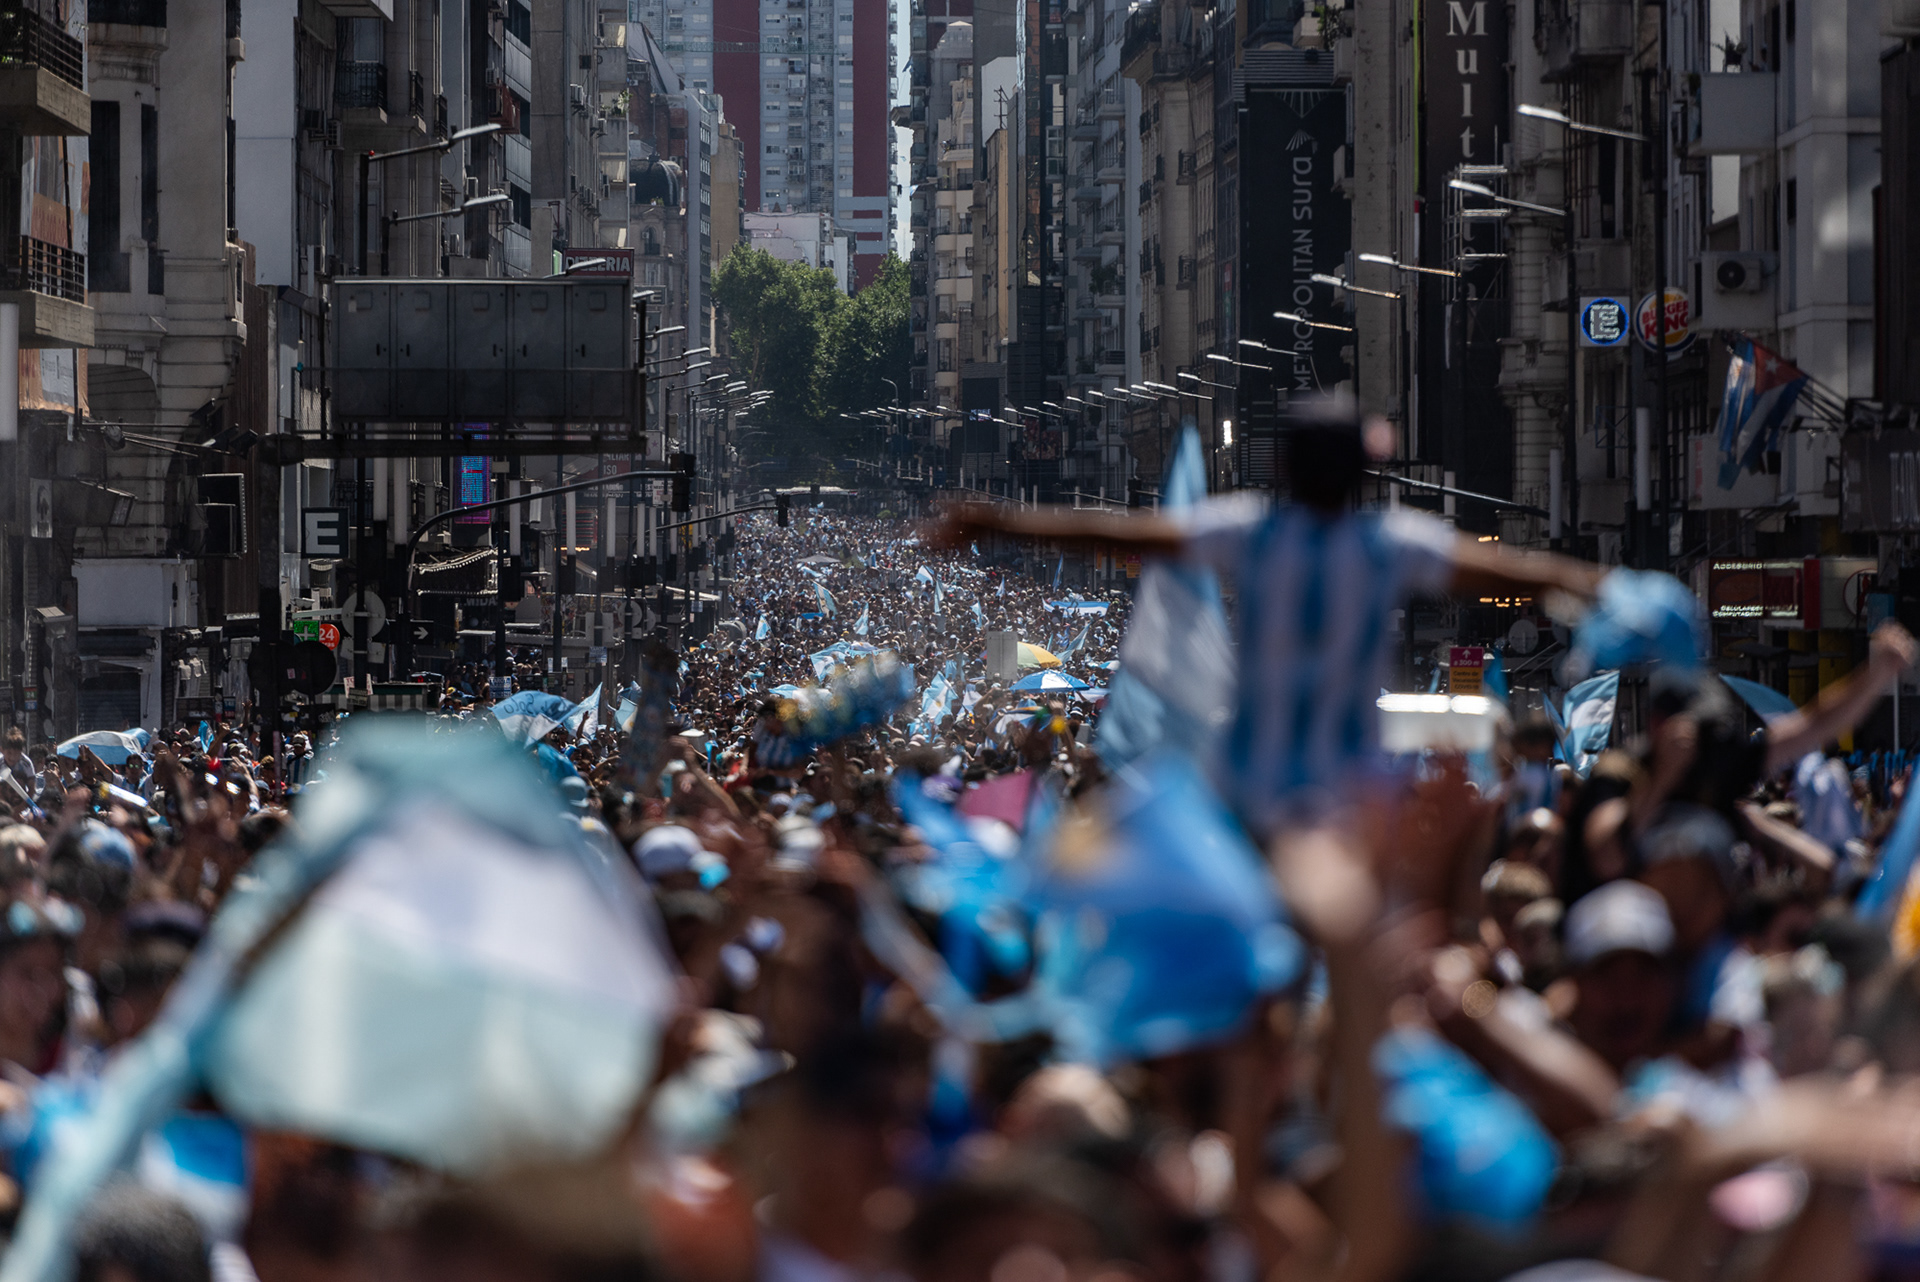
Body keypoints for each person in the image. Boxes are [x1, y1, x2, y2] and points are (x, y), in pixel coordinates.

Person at [930, 395, 1607, 832]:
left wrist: (995, 520)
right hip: (1346, 800)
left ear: (1282, 468)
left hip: (1243, 794)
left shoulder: (1251, 531)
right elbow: (1507, 569)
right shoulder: (1390, 543)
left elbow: (1121, 533)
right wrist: (1594, 581)